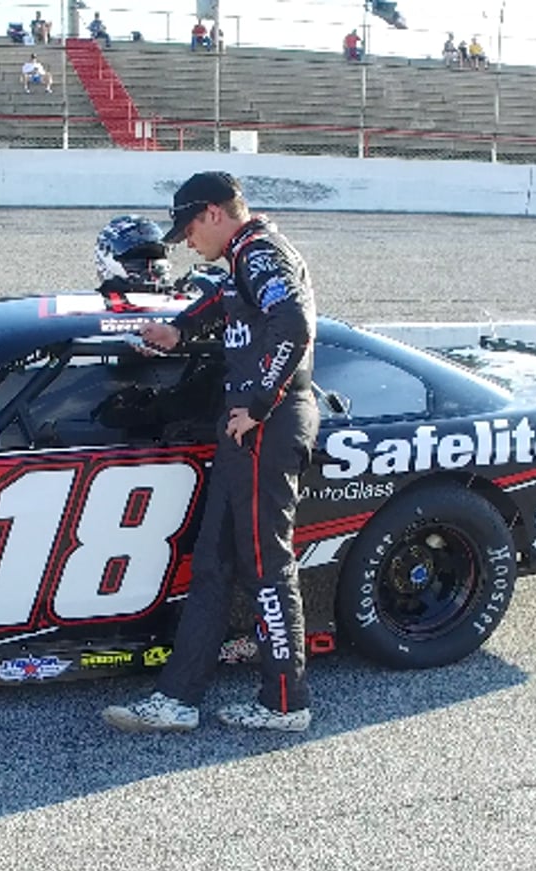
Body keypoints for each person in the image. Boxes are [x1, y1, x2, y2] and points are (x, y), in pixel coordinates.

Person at [102, 171, 320, 735]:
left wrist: (259, 406)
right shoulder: (243, 259)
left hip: (265, 429)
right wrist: (176, 331)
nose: (187, 242)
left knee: (266, 569)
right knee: (215, 567)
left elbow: (293, 326)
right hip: (245, 430)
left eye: (190, 228)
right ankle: (179, 699)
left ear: (215, 213)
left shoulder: (262, 251)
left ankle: (284, 704)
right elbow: (225, 304)